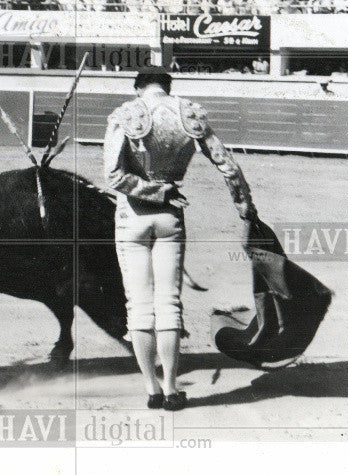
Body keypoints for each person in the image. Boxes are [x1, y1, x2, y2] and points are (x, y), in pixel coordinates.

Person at [103, 67, 257, 411]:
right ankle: (173, 390)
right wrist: (245, 206)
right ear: (168, 87)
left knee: (139, 307)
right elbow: (228, 166)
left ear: (138, 87)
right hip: (171, 219)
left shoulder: (125, 115)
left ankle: (152, 389)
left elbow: (113, 175)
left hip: (132, 218)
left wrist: (155, 191)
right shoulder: (189, 114)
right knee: (169, 304)